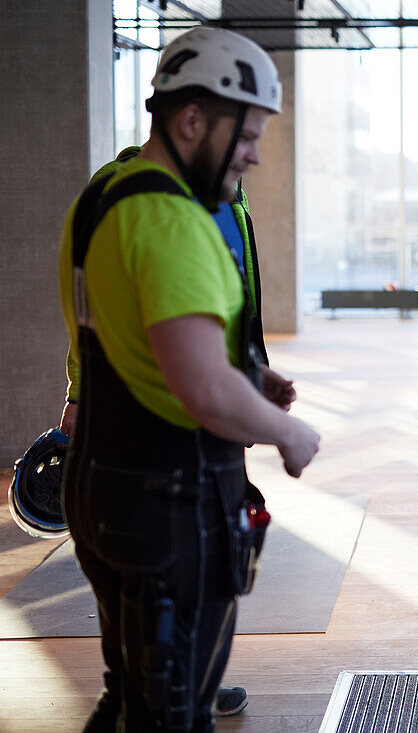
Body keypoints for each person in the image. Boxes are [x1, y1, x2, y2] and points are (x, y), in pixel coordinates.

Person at [57, 26, 320, 732]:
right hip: (168, 502)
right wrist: (289, 431)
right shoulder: (174, 221)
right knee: (173, 715)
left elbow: (132, 338)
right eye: (247, 133)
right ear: (192, 119)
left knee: (127, 699)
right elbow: (203, 390)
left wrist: (245, 375)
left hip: (102, 484)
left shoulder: (101, 200)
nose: (256, 153)